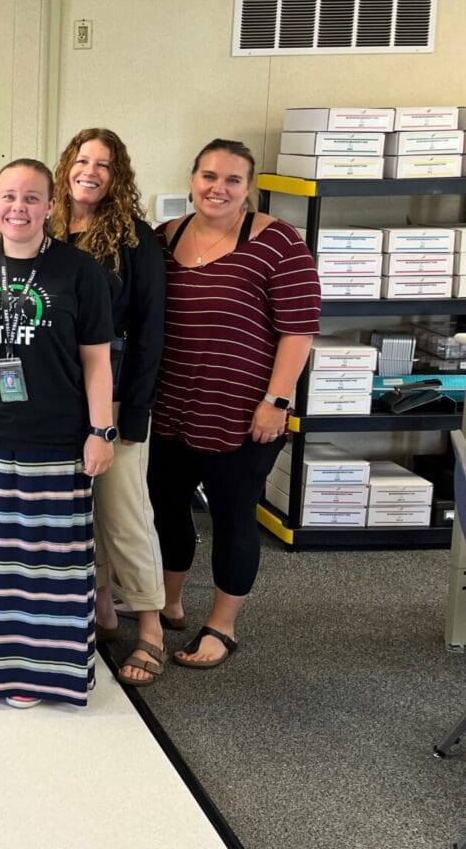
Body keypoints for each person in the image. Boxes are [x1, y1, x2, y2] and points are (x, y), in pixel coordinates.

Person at [0, 158, 116, 709]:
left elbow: (98, 362)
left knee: (44, 565)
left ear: (51, 207)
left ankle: (38, 674)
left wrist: (100, 430)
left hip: (56, 442)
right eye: (9, 196)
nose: (19, 207)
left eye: (32, 198)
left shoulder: (82, 273)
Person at [150, 139, 319, 669]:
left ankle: (221, 625)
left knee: (232, 515)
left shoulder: (278, 242)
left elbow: (299, 329)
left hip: (244, 410)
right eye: (208, 176)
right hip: (172, 403)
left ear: (249, 188)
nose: (217, 188)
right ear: (192, 179)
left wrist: (276, 400)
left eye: (232, 180)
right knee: (167, 508)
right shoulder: (165, 238)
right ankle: (170, 602)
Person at [48, 128, 168, 687]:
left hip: (116, 393)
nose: (90, 170)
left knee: (123, 512)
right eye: (82, 159)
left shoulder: (136, 241)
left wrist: (136, 411)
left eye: (104, 163)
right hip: (56, 394)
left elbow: (150, 332)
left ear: (117, 176)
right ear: (66, 166)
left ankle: (150, 624)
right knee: (75, 513)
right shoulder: (43, 230)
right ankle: (100, 608)